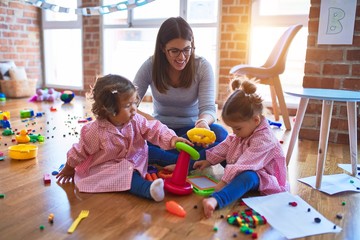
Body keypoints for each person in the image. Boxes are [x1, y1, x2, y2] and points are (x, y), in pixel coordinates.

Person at [56, 74, 193, 202]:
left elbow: (155, 129)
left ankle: (190, 164)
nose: (134, 109)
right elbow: (79, 151)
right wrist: (69, 168)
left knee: (157, 153)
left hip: (137, 155)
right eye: (128, 105)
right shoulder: (94, 131)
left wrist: (172, 139)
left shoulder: (136, 120)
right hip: (111, 165)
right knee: (129, 177)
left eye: (134, 102)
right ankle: (149, 190)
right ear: (109, 110)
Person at [133, 16, 228, 167]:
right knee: (132, 139)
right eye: (174, 51)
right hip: (160, 131)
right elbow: (129, 105)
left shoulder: (202, 67)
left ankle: (168, 159)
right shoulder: (150, 66)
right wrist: (155, 124)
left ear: (192, 46)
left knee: (222, 135)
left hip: (191, 132)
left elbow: (208, 108)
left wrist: (203, 123)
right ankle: (189, 162)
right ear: (163, 48)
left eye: (186, 50)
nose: (182, 57)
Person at [193, 77, 288, 218]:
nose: (234, 132)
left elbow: (244, 164)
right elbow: (226, 144)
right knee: (216, 150)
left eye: (237, 128)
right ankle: (182, 164)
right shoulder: (245, 130)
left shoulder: (264, 140)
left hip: (262, 175)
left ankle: (216, 201)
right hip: (241, 163)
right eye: (232, 128)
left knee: (248, 176)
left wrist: (223, 183)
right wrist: (209, 160)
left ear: (256, 120)